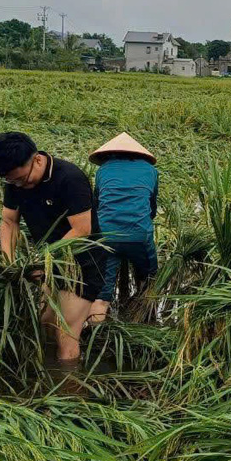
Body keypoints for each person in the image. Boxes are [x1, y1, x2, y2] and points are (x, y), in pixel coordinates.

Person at [0, 132, 103, 361]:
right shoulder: (14, 181)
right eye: (13, 181)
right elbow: (9, 221)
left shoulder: (69, 178)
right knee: (45, 324)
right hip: (49, 263)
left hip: (81, 264)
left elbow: (81, 230)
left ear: (37, 159)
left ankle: (69, 388)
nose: (21, 185)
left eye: (23, 179)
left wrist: (40, 261)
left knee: (65, 334)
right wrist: (9, 263)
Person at [87, 132, 160, 323]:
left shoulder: (103, 170)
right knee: (150, 278)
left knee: (102, 294)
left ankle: (96, 337)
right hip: (138, 235)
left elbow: (97, 203)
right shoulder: (150, 171)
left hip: (106, 236)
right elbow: (152, 207)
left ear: (110, 154)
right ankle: (148, 321)